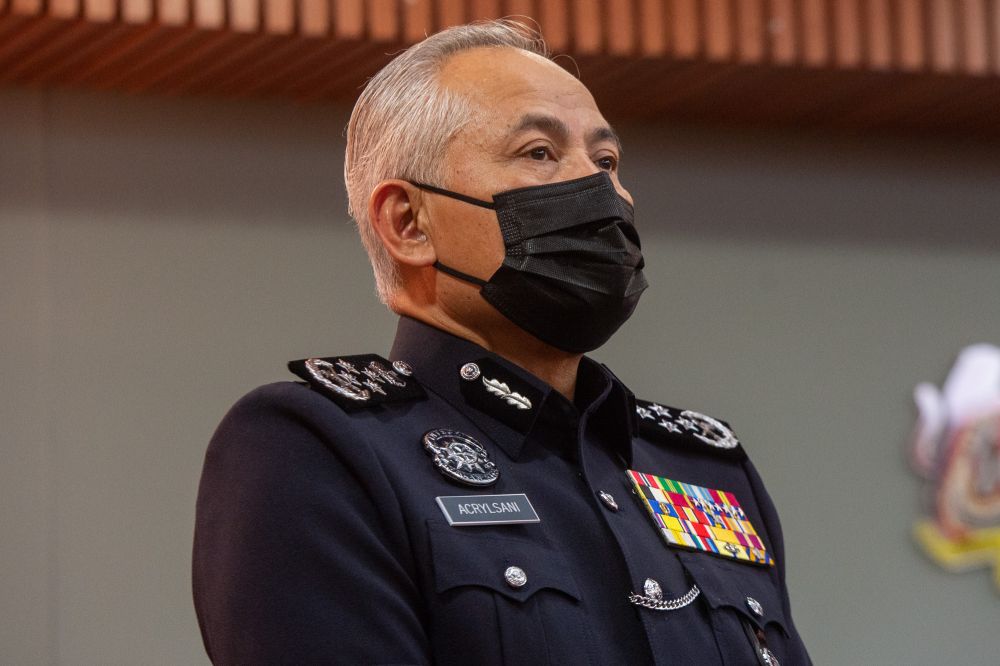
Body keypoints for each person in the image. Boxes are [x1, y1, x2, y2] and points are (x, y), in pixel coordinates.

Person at [192, 19, 811, 666]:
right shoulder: (320, 451)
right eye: (539, 152)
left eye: (607, 161)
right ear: (408, 222)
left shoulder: (700, 469)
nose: (601, 189)